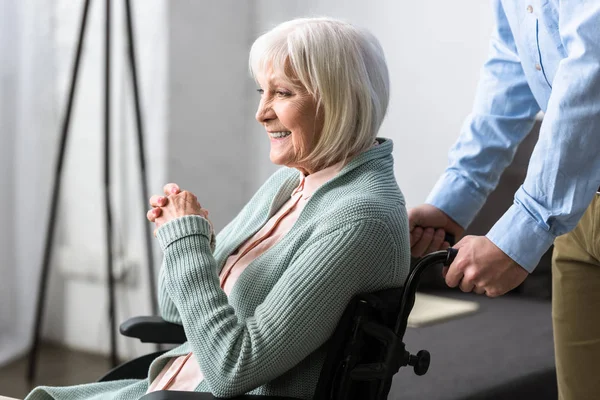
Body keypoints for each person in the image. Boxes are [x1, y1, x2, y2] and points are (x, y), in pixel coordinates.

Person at [24, 17, 410, 400]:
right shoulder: (293, 182)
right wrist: (194, 242)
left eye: (283, 93)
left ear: (340, 99)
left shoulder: (359, 219)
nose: (261, 112)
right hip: (170, 386)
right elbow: (176, 310)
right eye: (262, 91)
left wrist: (186, 246)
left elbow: (233, 369)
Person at [408, 1, 600, 399]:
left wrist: (525, 228)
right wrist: (456, 195)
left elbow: (592, 69)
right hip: (579, 213)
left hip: (561, 206)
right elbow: (512, 65)